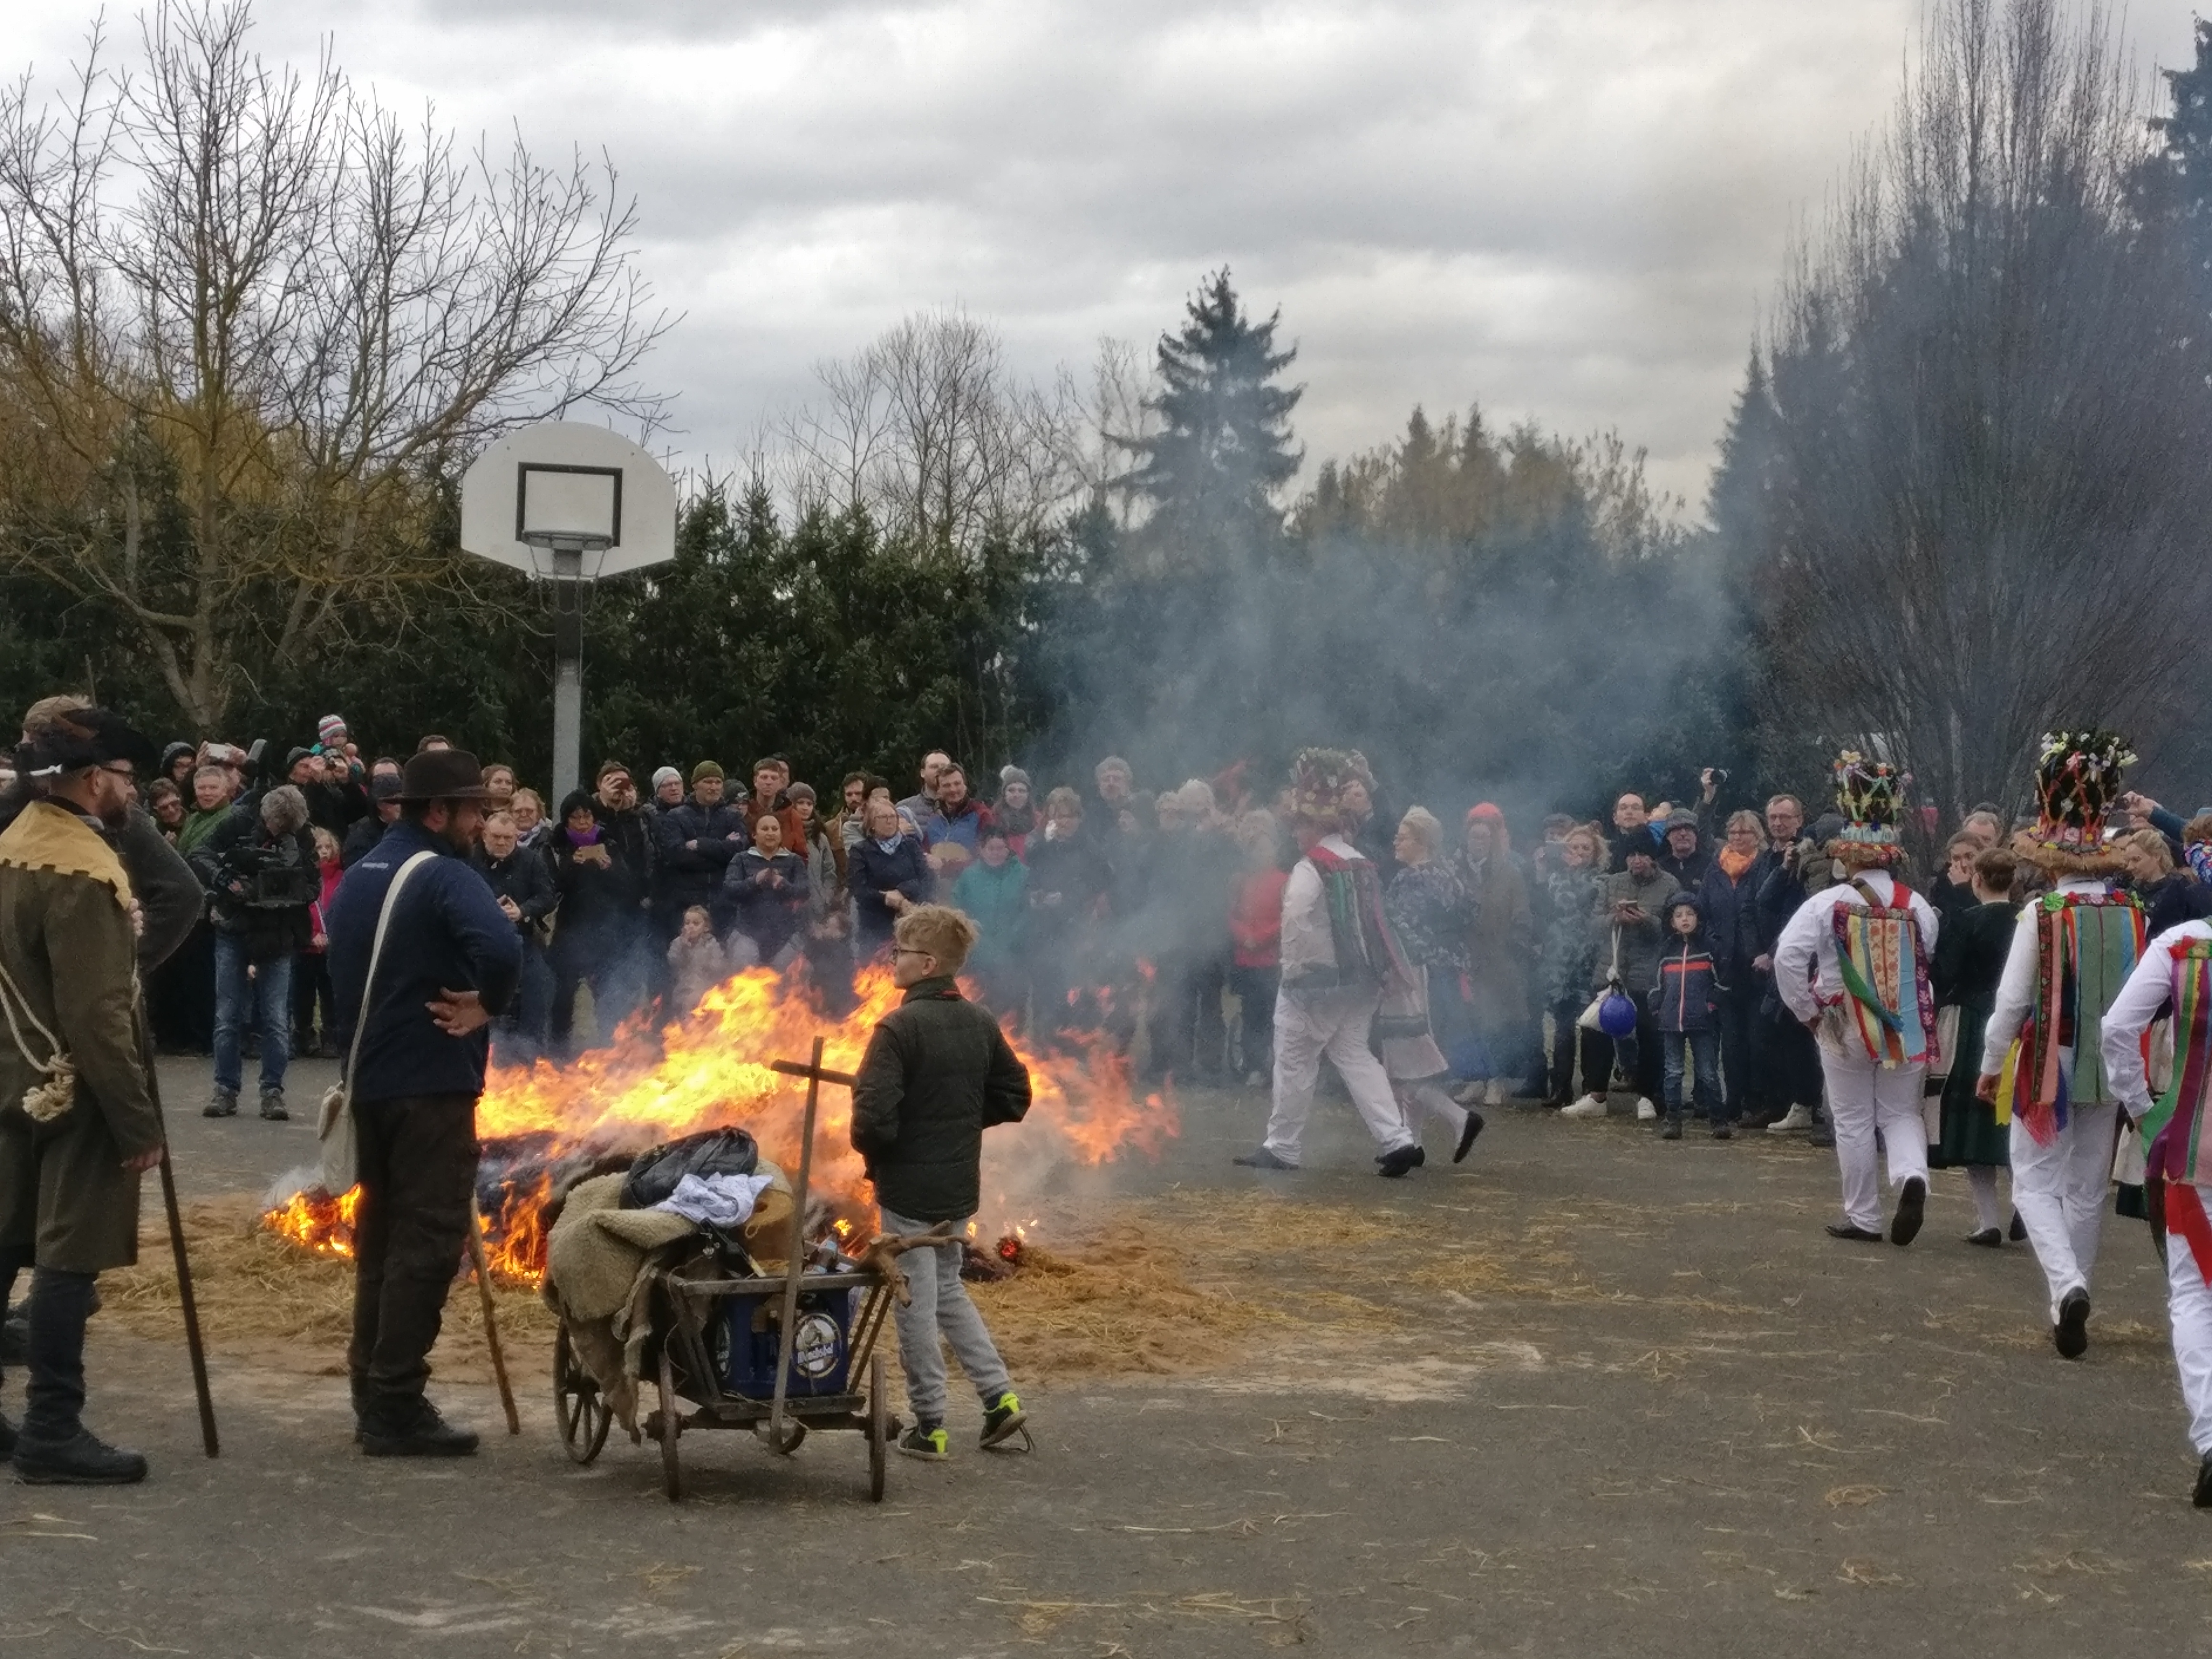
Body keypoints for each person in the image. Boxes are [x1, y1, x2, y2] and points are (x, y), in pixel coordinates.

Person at [326, 748, 520, 1456]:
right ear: (438, 813)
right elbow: (502, 948)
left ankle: (370, 1386)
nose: (480, 824)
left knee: (381, 1239)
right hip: (429, 1088)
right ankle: (396, 1402)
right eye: (474, 811)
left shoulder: (360, 873)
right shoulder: (445, 874)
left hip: (368, 1083)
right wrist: (486, 1006)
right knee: (429, 1243)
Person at [0, 706, 167, 1484]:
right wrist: (137, 1121)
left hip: (10, 1078)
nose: (132, 790)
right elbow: (99, 1015)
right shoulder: (86, 869)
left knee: (5, 1242)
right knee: (69, 1258)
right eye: (127, 778)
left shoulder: (10, 848)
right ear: (96, 780)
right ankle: (51, 1430)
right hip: (73, 1091)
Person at [1976, 732, 2148, 1358]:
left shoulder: (2043, 913)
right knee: (2085, 1186)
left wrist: (1993, 1065)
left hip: (2052, 1057)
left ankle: (2068, 1284)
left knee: (2032, 1183)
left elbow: (2013, 1002)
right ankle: (2071, 1299)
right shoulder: (2132, 914)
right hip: (2110, 1062)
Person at [849, 903, 1032, 1460]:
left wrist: (889, 1150)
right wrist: (955, 1122)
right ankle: (999, 1398)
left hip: (909, 1190)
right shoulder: (979, 1021)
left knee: (913, 1302)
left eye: (900, 953)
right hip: (956, 1186)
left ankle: (929, 1425)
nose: (893, 961)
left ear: (927, 964)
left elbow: (872, 1120)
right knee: (948, 1288)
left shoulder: (898, 1027)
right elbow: (1013, 1096)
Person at [1774, 753, 1940, 1246]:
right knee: (1900, 1113)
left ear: (1848, 855)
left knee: (1851, 1118)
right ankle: (1911, 1174)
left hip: (1842, 1018)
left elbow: (1786, 958)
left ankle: (1863, 1216)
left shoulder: (1826, 902)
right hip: (1905, 1019)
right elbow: (1926, 957)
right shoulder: (1919, 907)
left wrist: (1806, 1012)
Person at [1235, 749, 1423, 1177]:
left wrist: (1296, 975)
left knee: (1295, 1059)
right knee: (1356, 1055)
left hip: (1316, 983)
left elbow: (1298, 923)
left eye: (1300, 825)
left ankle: (1282, 1147)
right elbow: (1379, 922)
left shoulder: (1310, 868)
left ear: (1316, 826)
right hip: (1362, 982)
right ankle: (1397, 1140)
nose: (1295, 832)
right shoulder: (1363, 862)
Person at [2098, 911, 2212, 1507]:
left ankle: (2211, 1436)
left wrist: (2140, 1107)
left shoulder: (2182, 944)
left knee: (2193, 1292)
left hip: (2195, 1141)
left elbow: (2117, 1026)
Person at [193, 783, 317, 1120]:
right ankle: (225, 1089)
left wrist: (292, 892)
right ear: (265, 816)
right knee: (227, 1015)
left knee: (277, 1017)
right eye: (280, 827)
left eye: (290, 829)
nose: (284, 833)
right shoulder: (237, 823)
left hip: (278, 931)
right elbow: (199, 853)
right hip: (234, 924)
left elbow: (313, 883)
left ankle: (273, 1090)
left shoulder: (303, 836)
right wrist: (226, 880)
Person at [1930, 844, 2018, 1245]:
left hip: (1974, 1023)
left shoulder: (1964, 921)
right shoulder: (2027, 920)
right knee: (2015, 1121)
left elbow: (1945, 972)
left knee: (1974, 1126)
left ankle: (1989, 1221)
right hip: (2019, 1023)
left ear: (1977, 880)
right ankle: (2024, 1207)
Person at [1562, 842, 1677, 1119]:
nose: (1637, 860)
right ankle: (1595, 1095)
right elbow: (1592, 924)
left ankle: (1649, 1096)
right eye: (1632, 854)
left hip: (1648, 974)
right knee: (1595, 1030)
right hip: (1610, 969)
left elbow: (1674, 928)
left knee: (1650, 1035)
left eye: (1643, 854)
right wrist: (1615, 917)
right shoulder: (1612, 882)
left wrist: (1645, 920)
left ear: (1653, 857)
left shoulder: (1671, 885)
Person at [1752, 793, 1828, 1141]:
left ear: (1800, 820)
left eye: (1786, 817)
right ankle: (1790, 1102)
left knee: (1802, 1033)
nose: (1780, 824)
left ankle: (1808, 1104)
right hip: (1776, 953)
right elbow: (1764, 901)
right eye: (1774, 818)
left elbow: (1808, 908)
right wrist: (1782, 867)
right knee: (1776, 1031)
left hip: (1806, 956)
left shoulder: (1812, 857)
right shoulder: (1770, 858)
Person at [547, 790, 644, 1053]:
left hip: (606, 929)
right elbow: (551, 887)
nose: (582, 822)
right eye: (575, 817)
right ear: (566, 821)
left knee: (607, 990)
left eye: (586, 815)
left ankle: (609, 1047)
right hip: (570, 930)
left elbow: (629, 887)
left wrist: (609, 866)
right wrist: (572, 864)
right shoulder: (555, 846)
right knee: (563, 993)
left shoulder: (609, 843)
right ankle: (559, 1051)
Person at [1455, 804, 1535, 1108]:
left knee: (1495, 1023)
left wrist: (1515, 949)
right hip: (1464, 959)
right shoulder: (1454, 870)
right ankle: (1475, 1077)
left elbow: (1523, 915)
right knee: (1468, 1022)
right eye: (1474, 837)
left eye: (1484, 838)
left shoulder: (1510, 873)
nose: (1478, 843)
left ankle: (1497, 1079)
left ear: (1493, 840)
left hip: (1500, 961)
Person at [1023, 788, 1111, 1043]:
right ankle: (1042, 1043)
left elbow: (1100, 884)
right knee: (1043, 986)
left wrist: (1068, 899)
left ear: (1079, 818)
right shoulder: (1041, 846)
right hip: (1043, 928)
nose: (1063, 822)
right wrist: (1034, 896)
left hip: (1076, 929)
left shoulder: (1091, 849)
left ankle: (1071, 1045)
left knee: (1073, 986)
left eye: (1069, 816)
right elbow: (1030, 877)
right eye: (1058, 816)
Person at [471, 809, 558, 1056]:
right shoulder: (469, 859)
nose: (501, 843)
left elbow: (548, 897)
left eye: (508, 838)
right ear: (484, 835)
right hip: (477, 944)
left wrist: (522, 911)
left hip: (522, 938)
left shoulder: (531, 860)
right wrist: (487, 910)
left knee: (542, 982)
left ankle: (531, 1052)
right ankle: (485, 1051)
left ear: (517, 837)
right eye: (496, 837)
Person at [1700, 809, 1768, 1128]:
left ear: (1758, 836)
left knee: (1756, 1038)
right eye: (1734, 833)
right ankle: (1734, 1099)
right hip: (1724, 965)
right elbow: (1704, 913)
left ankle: (1758, 1100)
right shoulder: (1716, 870)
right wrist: (1713, 943)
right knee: (1731, 1041)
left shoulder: (1764, 867)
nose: (1739, 838)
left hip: (1755, 966)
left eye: (1746, 833)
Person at [1536, 825, 1607, 1107]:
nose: (1578, 853)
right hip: (1560, 962)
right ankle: (1561, 1088)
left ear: (1596, 853)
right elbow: (1545, 908)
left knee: (1592, 1028)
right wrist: (1542, 872)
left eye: (1584, 848)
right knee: (1562, 1028)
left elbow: (1575, 902)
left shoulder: (1602, 880)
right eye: (1572, 848)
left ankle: (1592, 1089)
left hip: (1589, 960)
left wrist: (1572, 874)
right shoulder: (1554, 878)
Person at [1650, 894, 1725, 1140]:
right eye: (1679, 915)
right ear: (1671, 921)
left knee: (1708, 1072)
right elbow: (1656, 984)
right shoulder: (1666, 950)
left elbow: (1722, 983)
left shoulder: (1709, 949)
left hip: (1702, 1021)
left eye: (1690, 914)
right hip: (1671, 1022)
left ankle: (1718, 1119)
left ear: (1698, 918)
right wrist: (1656, 1006)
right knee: (1673, 1072)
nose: (1685, 920)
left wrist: (1711, 1005)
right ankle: (1673, 1120)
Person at [1228, 809, 1290, 1086]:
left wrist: (1262, 937)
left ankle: (1274, 1066)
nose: (1260, 854)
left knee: (1273, 1015)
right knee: (1251, 1013)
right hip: (1246, 960)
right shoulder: (1241, 881)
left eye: (1265, 848)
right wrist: (1244, 935)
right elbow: (1231, 915)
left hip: (1271, 960)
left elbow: (1286, 918)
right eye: (1255, 849)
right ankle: (1253, 1065)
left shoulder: (1283, 880)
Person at [654, 762, 746, 939]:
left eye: (718, 782)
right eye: (708, 782)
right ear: (695, 784)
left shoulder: (732, 816)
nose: (714, 787)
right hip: (686, 906)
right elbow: (677, 856)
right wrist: (721, 851)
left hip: (724, 906)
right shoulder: (676, 816)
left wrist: (700, 845)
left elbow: (738, 852)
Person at [952, 827, 1028, 1017]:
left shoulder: (1024, 874)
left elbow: (1029, 910)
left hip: (1014, 952)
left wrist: (1014, 937)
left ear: (1008, 849)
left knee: (1012, 1008)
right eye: (991, 849)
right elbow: (957, 910)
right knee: (981, 1008)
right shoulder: (969, 877)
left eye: (1001, 848)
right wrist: (973, 938)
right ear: (981, 850)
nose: (997, 854)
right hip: (977, 953)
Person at [848, 796, 933, 959]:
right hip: (875, 930)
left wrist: (901, 894)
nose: (889, 821)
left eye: (893, 816)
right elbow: (859, 890)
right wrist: (885, 897)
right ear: (871, 823)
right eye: (883, 817)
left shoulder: (911, 846)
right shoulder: (860, 851)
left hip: (912, 927)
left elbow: (928, 880)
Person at [723, 809, 811, 967]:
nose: (770, 833)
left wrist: (783, 884)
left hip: (786, 936)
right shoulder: (741, 859)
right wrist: (754, 881)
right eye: (765, 829)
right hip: (747, 934)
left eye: (775, 829)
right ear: (754, 835)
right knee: (746, 980)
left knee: (786, 985)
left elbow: (805, 891)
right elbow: (730, 889)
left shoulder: (794, 861)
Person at [292, 825, 344, 1059]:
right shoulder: (302, 878)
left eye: (327, 847)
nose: (323, 852)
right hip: (306, 944)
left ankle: (331, 1035)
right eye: (318, 848)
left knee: (330, 993)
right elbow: (303, 909)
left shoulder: (342, 877)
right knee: (302, 994)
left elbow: (343, 909)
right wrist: (311, 933)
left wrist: (332, 934)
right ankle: (303, 1034)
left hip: (331, 946)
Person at [666, 905, 737, 1010]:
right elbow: (673, 962)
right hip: (683, 991)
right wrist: (684, 949)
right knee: (687, 1002)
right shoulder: (678, 944)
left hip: (705, 991)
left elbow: (720, 967)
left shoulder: (711, 944)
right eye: (687, 923)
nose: (691, 926)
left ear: (706, 928)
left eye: (696, 924)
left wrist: (707, 963)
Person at [342, 773, 403, 868]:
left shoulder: (411, 828)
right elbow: (356, 870)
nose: (402, 806)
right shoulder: (360, 835)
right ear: (381, 805)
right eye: (396, 801)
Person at [896, 751, 951, 830]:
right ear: (923, 773)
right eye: (934, 767)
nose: (940, 770)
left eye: (945, 767)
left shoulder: (967, 809)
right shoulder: (905, 809)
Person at [993, 768, 1038, 857]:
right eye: (1011, 790)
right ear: (1004, 794)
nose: (1016, 795)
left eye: (1022, 791)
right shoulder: (992, 819)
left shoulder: (1039, 820)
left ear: (1028, 795)